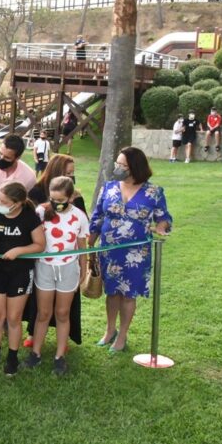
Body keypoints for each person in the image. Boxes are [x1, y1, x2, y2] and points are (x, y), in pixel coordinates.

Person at [89, 147, 172, 353]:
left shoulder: (153, 192)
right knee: (112, 292)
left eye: (122, 165)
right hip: (109, 250)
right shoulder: (108, 188)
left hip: (136, 253)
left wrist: (161, 227)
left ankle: (123, 335)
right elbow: (97, 216)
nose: (118, 168)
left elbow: (164, 218)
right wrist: (90, 242)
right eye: (117, 163)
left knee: (128, 294)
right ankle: (110, 330)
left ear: (135, 166)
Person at [25, 176, 89, 376]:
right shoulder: (41, 211)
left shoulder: (79, 216)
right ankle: (35, 353)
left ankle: (60, 356)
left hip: (68, 268)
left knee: (62, 313)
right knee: (43, 313)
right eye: (52, 199)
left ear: (71, 197)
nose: (55, 204)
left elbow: (81, 246)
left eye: (60, 200)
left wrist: (84, 268)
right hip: (45, 267)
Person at [0, 181, 45, 376]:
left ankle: (12, 358)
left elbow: (40, 245)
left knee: (14, 318)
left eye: (3, 201)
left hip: (20, 273)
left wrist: (18, 250)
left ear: (17, 203)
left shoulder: (29, 218)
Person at [0, 134, 36, 208]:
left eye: (7, 157)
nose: (1, 158)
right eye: (0, 153)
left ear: (18, 158)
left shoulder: (29, 176)